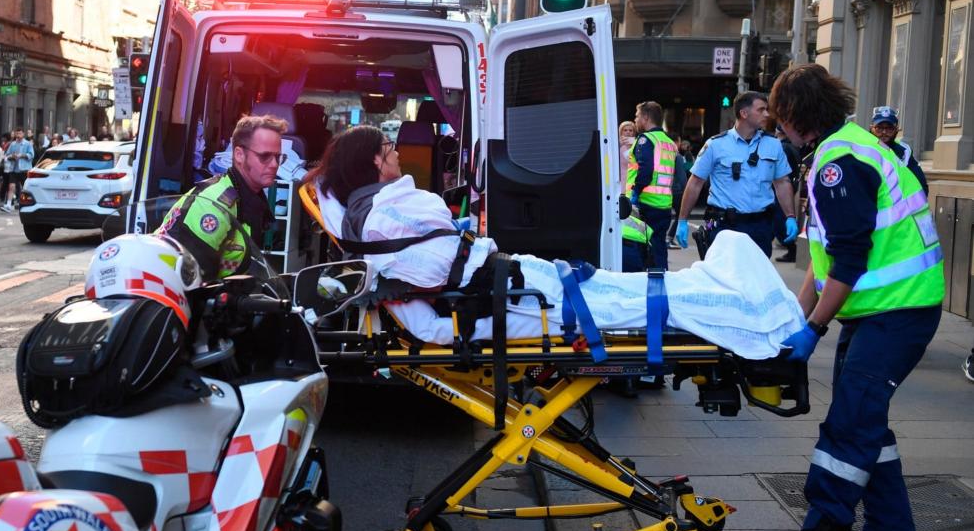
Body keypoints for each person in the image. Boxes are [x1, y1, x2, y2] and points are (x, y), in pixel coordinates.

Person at [307, 126, 804, 359]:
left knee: (623, 291)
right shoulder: (386, 213)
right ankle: (752, 314)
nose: (397, 157)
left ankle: (739, 297)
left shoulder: (373, 216)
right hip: (505, 293)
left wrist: (458, 242)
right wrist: (456, 241)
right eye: (390, 150)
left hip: (505, 283)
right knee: (628, 300)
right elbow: (435, 267)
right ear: (375, 162)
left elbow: (430, 262)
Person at [746, 65, 943, 531]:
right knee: (866, 424)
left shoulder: (840, 162)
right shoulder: (842, 149)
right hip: (884, 310)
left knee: (850, 426)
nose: (775, 126)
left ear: (794, 116)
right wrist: (797, 313)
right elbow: (825, 256)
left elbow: (850, 259)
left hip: (896, 313)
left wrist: (812, 327)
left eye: (778, 115)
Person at [157, 115, 287, 281]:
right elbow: (185, 278)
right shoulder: (214, 205)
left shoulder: (250, 198)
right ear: (239, 155)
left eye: (278, 157)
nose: (274, 164)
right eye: (265, 156)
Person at [676, 92, 798, 257]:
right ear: (744, 113)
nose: (767, 114)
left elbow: (782, 182)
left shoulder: (774, 145)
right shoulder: (715, 145)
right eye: (761, 110)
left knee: (756, 279)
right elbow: (695, 182)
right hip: (724, 226)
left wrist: (790, 216)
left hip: (760, 226)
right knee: (722, 279)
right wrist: (683, 219)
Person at [625, 101, 679, 270]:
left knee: (642, 250)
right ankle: (662, 282)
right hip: (663, 204)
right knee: (659, 247)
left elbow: (646, 170)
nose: (635, 120)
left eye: (637, 116)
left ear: (646, 117)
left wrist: (635, 193)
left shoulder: (645, 139)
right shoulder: (668, 142)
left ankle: (650, 285)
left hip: (645, 203)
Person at [869, 106, 927, 194]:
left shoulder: (904, 151)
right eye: (879, 128)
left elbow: (920, 184)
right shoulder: (862, 147)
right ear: (871, 128)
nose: (884, 132)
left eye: (889, 129)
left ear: (896, 129)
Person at [773, 126, 802, 262]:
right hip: (791, 184)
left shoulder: (783, 148)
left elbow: (781, 174)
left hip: (784, 186)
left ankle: (791, 249)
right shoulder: (792, 147)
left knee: (780, 219)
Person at [667, 138, 694, 248]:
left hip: (666, 189)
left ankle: (668, 238)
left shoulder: (665, 155)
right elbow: (682, 176)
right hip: (678, 190)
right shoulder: (677, 156)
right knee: (681, 214)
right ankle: (669, 238)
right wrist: (686, 189)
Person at [2, 128, 34, 211]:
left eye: (20, 133)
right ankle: (8, 204)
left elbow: (31, 155)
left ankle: (29, 203)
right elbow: (7, 155)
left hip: (24, 169)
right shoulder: (13, 144)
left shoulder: (27, 144)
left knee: (26, 188)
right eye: (17, 134)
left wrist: (21, 155)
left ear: (23, 134)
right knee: (11, 186)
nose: (18, 135)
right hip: (14, 169)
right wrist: (12, 156)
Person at [617, 121, 636, 192]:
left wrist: (634, 142)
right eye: (625, 130)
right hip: (620, 180)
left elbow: (631, 160)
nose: (628, 132)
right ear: (621, 132)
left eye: (630, 130)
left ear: (634, 133)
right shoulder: (616, 145)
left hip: (632, 180)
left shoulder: (637, 145)